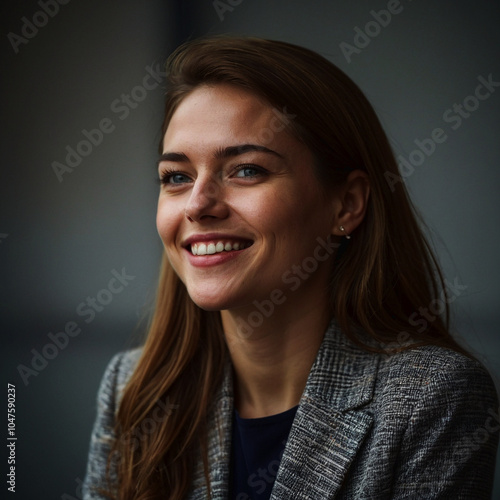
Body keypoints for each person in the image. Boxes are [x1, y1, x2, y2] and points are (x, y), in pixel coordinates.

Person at [82, 36, 499, 500]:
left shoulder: (430, 398)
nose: (197, 205)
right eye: (177, 177)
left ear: (347, 203)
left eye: (246, 170)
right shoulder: (133, 389)